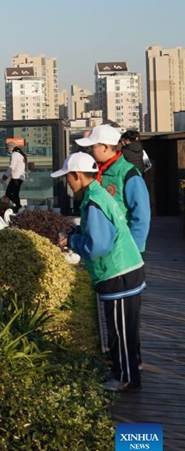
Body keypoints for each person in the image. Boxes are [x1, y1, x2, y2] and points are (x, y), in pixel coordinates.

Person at [53, 152, 146, 392]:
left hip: (118, 274)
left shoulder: (93, 202)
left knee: (120, 331)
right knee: (126, 328)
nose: (68, 184)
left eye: (68, 178)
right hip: (125, 270)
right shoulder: (97, 194)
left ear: (77, 176)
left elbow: (99, 246)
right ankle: (123, 369)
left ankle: (125, 377)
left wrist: (72, 241)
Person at [76, 124, 151, 370]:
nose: (89, 152)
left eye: (93, 147)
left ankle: (130, 365)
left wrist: (135, 249)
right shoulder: (98, 172)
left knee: (126, 318)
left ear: (106, 148)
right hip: (108, 258)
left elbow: (142, 216)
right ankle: (119, 361)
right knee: (117, 318)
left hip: (123, 257)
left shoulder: (128, 174)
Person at [1, 141, 27, 210]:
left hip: (16, 178)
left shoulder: (14, 155)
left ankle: (20, 207)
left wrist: (5, 177)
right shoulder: (20, 154)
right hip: (20, 178)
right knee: (15, 194)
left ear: (11, 148)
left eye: (7, 148)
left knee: (8, 193)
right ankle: (19, 209)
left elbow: (11, 167)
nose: (7, 150)